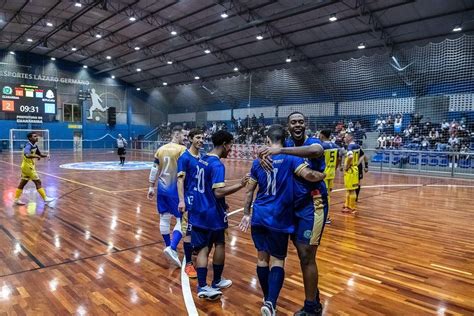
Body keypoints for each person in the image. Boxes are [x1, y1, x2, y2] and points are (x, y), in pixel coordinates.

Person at [239, 125, 326, 315]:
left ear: (268, 141)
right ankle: (270, 302)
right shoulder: (291, 158)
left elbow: (249, 191)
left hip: (259, 216)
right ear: (283, 140)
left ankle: (267, 298)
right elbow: (309, 175)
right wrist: (322, 175)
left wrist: (246, 213)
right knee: (278, 261)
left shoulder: (257, 162)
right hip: (278, 218)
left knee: (262, 259)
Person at [190, 131, 249, 300]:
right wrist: (240, 184)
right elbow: (218, 192)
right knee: (219, 244)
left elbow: (203, 187)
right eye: (230, 145)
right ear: (224, 144)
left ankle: (208, 283)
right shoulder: (217, 165)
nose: (230, 149)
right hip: (211, 213)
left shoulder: (201, 159)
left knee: (203, 247)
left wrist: (222, 203)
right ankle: (209, 283)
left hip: (199, 209)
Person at [147, 125, 187, 268]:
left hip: (162, 190)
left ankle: (169, 246)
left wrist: (151, 186)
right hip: (176, 190)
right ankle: (173, 247)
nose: (185, 138)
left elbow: (154, 169)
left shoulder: (160, 149)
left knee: (164, 218)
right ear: (176, 135)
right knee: (182, 220)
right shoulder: (183, 150)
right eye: (183, 135)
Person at [177, 129, 204, 278]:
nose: (201, 140)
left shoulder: (203, 157)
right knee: (187, 232)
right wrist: (181, 200)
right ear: (191, 139)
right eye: (198, 138)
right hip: (189, 201)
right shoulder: (184, 158)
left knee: (199, 230)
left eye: (202, 138)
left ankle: (195, 252)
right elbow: (180, 180)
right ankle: (188, 264)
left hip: (201, 201)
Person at [14, 132, 55, 206]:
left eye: (37, 136)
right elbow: (27, 155)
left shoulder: (35, 145)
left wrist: (46, 155)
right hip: (28, 167)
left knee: (23, 183)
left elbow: (39, 154)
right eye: (35, 136)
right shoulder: (28, 146)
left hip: (26, 167)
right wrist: (36, 157)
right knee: (38, 182)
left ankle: (16, 199)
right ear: (30, 138)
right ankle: (45, 198)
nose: (37, 137)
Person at [318, 129, 341, 224]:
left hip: (323, 174)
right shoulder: (335, 146)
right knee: (328, 195)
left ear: (322, 136)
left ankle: (326, 217)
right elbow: (339, 158)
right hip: (331, 173)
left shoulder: (321, 146)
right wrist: (335, 168)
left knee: (323, 196)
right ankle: (326, 216)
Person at [342, 133, 361, 214]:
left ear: (350, 137)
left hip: (350, 170)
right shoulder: (357, 146)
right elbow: (361, 156)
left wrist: (346, 166)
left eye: (345, 137)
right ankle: (347, 206)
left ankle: (352, 208)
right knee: (350, 190)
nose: (344, 139)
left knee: (351, 190)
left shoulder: (350, 146)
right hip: (355, 169)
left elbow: (350, 157)